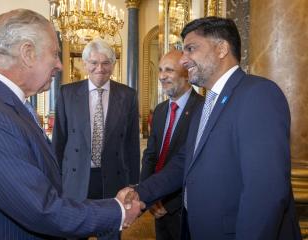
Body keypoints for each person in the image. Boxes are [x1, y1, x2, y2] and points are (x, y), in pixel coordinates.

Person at [0, 9, 142, 240]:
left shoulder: (1, 103)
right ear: (28, 53)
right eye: (54, 54)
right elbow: (42, 209)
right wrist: (118, 211)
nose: (60, 65)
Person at [125, 16, 302, 240]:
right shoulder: (205, 105)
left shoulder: (258, 94)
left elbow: (265, 193)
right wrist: (140, 192)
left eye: (191, 49)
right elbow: (184, 162)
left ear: (221, 49)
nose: (183, 60)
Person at [52, 39, 140, 239]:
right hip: (75, 179)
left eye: (106, 63)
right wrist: (55, 179)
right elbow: (59, 140)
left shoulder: (128, 95)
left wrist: (133, 184)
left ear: (113, 65)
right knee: (74, 233)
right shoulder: (67, 93)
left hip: (112, 180)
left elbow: (131, 145)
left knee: (109, 234)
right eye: (93, 63)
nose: (100, 68)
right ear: (85, 65)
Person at [140, 50, 203, 240]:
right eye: (160, 70)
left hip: (185, 209)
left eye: (169, 70)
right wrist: (147, 195)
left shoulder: (202, 109)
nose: (161, 76)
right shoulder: (159, 111)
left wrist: (168, 204)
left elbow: (196, 166)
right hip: (156, 202)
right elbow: (150, 156)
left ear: (186, 74)